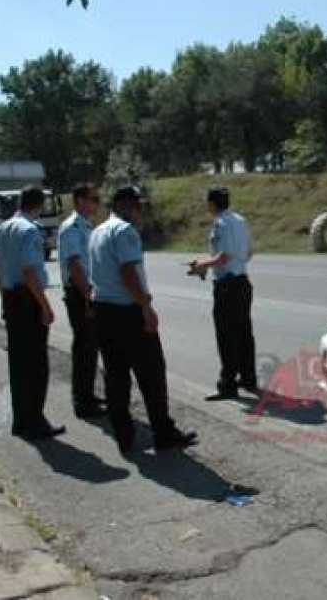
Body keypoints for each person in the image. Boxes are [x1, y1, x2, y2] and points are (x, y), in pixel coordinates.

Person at [89, 186, 197, 453]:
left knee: (116, 376)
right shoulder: (125, 232)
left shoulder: (97, 231)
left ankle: (124, 436)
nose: (141, 212)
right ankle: (163, 432)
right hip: (128, 312)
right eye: (138, 206)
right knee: (151, 374)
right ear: (126, 205)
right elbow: (128, 272)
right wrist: (146, 307)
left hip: (104, 311)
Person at [0, 185, 65, 440]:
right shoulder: (30, 230)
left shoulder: (1, 230)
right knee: (36, 365)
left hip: (11, 299)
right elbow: (30, 272)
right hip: (28, 299)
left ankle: (21, 420)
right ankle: (35, 421)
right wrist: (45, 306)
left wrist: (5, 301)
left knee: (19, 364)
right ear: (40, 205)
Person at [188, 187, 258, 401]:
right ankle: (248, 378)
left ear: (212, 203)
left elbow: (223, 257)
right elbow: (249, 252)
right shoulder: (239, 220)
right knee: (244, 334)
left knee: (227, 336)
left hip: (228, 287)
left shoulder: (221, 223)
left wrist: (202, 264)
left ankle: (227, 384)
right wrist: (214, 266)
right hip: (242, 282)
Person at [58, 184, 107, 419]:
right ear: (78, 201)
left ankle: (88, 394)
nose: (96, 203)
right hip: (80, 293)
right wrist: (88, 295)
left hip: (89, 291)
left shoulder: (88, 226)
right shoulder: (71, 228)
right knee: (84, 347)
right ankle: (82, 401)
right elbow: (75, 265)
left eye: (97, 199)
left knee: (91, 347)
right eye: (92, 199)